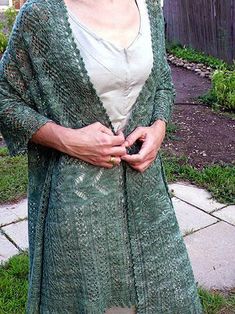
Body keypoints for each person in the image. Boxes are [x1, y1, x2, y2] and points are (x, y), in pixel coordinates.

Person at [0, 0, 203, 313]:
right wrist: (68, 139)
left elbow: (162, 80)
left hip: (146, 194)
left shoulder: (148, 6)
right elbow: (5, 99)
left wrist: (159, 126)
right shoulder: (41, 14)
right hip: (79, 197)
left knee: (166, 293)